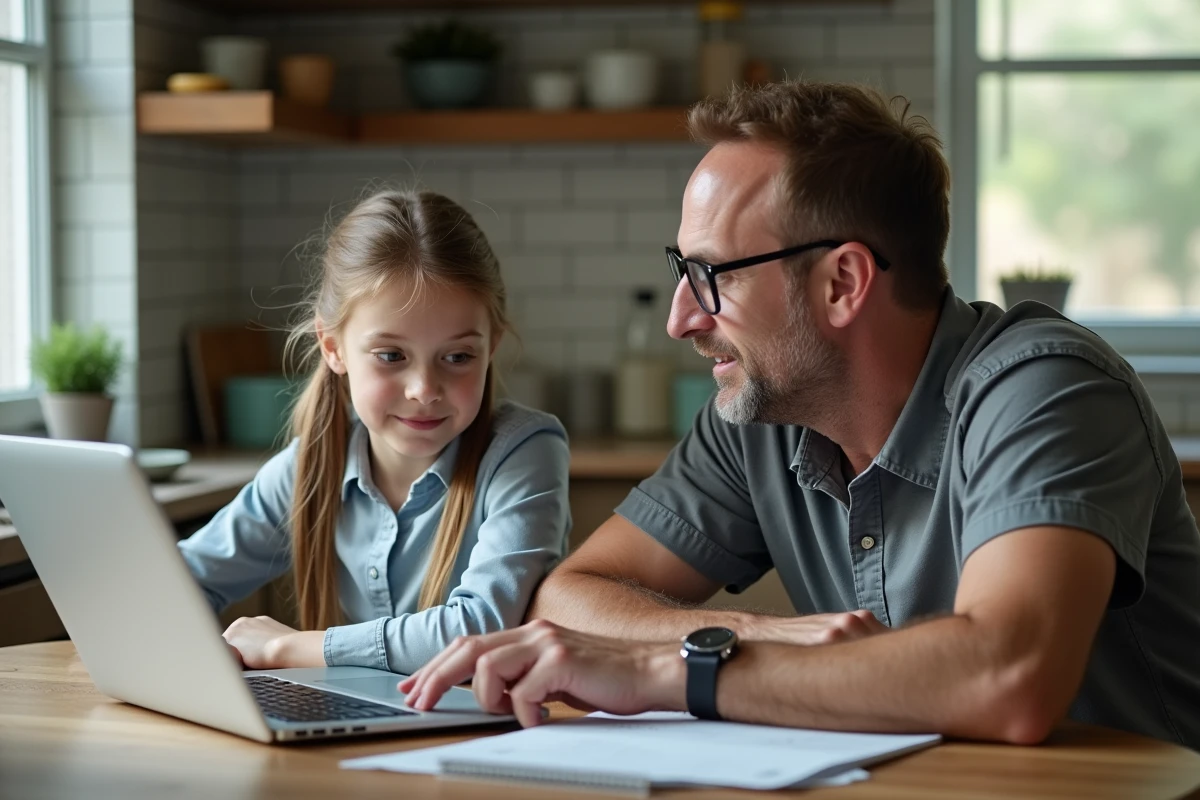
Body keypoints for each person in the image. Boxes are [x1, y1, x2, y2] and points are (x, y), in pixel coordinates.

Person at [399, 81, 1200, 748]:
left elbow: (1008, 677)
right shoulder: (761, 414)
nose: (682, 318)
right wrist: (761, 634)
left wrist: (666, 670)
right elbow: (571, 594)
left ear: (843, 284)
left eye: (713, 275)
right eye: (683, 271)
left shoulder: (1047, 390)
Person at [178, 189, 571, 675]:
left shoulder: (524, 452)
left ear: (491, 347)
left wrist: (291, 649)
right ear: (333, 347)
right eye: (391, 356)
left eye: (458, 357)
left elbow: (479, 630)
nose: (425, 389)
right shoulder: (311, 467)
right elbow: (179, 581)